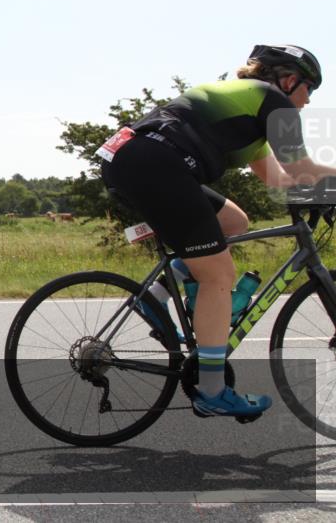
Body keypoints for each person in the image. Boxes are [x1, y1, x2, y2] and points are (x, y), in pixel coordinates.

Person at [100, 44, 335, 417]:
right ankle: (212, 391)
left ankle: (154, 297)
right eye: (310, 89)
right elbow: (300, 167)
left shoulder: (249, 112)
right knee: (218, 275)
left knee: (234, 222)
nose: (308, 100)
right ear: (289, 80)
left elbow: (279, 181)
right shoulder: (274, 100)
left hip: (140, 158)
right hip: (154, 162)